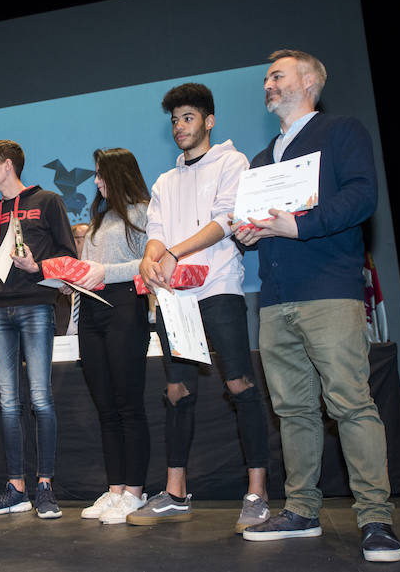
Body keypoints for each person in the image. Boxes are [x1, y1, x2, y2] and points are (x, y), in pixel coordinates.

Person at [233, 50, 400, 562]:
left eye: (277, 75)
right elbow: (255, 224)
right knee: (292, 410)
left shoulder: (342, 132)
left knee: (351, 403)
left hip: (329, 290)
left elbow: (362, 197)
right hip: (274, 299)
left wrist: (299, 224)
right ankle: (302, 510)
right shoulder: (262, 159)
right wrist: (247, 233)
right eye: (266, 78)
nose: (267, 84)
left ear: (308, 81)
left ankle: (375, 519)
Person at [129, 83, 271, 532]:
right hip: (175, 298)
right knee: (177, 391)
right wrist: (151, 257)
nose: (179, 127)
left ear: (209, 121)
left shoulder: (232, 162)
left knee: (240, 383)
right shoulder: (164, 181)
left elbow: (225, 220)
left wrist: (174, 252)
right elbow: (156, 231)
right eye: (174, 120)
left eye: (188, 118)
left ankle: (257, 492)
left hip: (219, 287)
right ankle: (175, 493)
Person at [0, 139, 77, 519]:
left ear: (8, 166)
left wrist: (38, 267)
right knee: (7, 401)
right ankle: (16, 488)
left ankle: (45, 487)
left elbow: (69, 256)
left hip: (37, 306)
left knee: (40, 398)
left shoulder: (48, 201)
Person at [73, 148, 151, 524]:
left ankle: (135, 492)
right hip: (91, 309)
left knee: (128, 405)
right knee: (106, 407)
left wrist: (105, 271)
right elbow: (88, 267)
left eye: (101, 174)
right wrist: (71, 276)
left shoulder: (143, 212)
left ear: (119, 174)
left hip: (125, 306)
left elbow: (150, 262)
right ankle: (115, 489)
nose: (96, 181)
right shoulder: (99, 218)